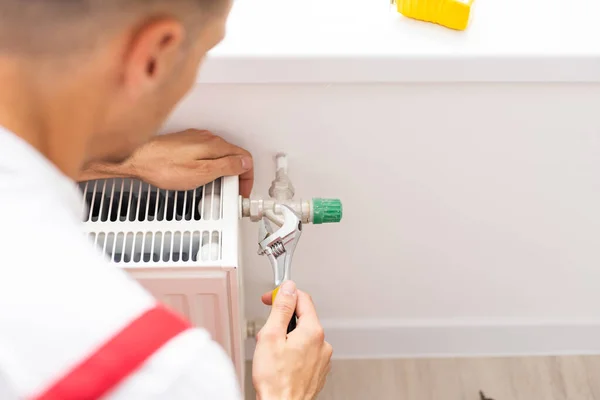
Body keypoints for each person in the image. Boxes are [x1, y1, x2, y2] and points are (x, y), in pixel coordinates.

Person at [0, 0, 332, 399]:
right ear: (154, 56)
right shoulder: (162, 375)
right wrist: (286, 392)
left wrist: (128, 160)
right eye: (205, 50)